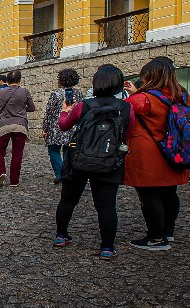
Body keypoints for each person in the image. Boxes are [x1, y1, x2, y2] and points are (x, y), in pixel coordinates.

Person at [54, 64, 133, 260]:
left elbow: (64, 126)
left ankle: (61, 236)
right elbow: (127, 135)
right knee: (106, 206)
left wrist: (65, 111)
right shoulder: (126, 108)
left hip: (79, 157)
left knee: (67, 200)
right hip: (109, 160)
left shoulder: (84, 105)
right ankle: (107, 247)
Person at [124, 56, 190, 251]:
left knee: (149, 194)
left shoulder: (143, 99)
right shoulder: (182, 96)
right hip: (175, 152)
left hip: (149, 154)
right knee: (170, 193)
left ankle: (155, 237)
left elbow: (124, 111)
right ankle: (168, 230)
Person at [0, 70, 35, 187]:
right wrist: (21, 109)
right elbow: (32, 108)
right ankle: (14, 181)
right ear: (20, 80)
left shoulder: (0, 92)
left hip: (3, 125)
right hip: (20, 125)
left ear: (7, 80)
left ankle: (1, 172)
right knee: (17, 153)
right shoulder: (24, 91)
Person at [41, 69, 82, 184]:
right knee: (68, 151)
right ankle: (67, 172)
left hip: (56, 127)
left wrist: (45, 127)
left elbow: (49, 112)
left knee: (53, 150)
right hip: (72, 126)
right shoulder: (78, 93)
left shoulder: (56, 94)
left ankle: (60, 173)